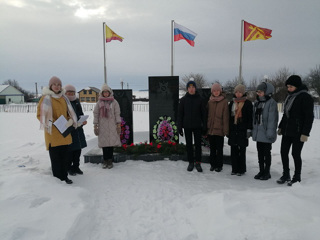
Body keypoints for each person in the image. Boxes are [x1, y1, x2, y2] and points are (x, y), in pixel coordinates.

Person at [37, 76, 78, 184]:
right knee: (56, 159)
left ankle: (64, 176)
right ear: (50, 85)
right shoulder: (46, 98)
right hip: (53, 133)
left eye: (59, 85)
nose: (57, 86)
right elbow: (40, 115)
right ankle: (58, 179)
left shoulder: (64, 98)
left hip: (64, 132)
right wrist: (53, 123)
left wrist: (69, 120)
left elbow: (69, 113)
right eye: (55, 84)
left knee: (65, 158)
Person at [277, 75, 314, 186]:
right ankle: (286, 174)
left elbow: (309, 117)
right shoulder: (290, 97)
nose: (289, 89)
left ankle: (297, 176)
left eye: (291, 86)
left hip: (298, 132)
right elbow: (286, 114)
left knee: (295, 154)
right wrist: (281, 126)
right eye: (288, 86)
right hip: (287, 130)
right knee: (283, 152)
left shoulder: (305, 97)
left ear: (297, 86)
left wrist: (305, 133)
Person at [177, 80, 207, 172]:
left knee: (198, 145)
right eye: (189, 87)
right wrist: (180, 127)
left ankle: (198, 162)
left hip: (197, 126)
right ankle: (191, 162)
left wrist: (204, 126)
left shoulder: (200, 99)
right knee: (189, 145)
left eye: (193, 87)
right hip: (187, 126)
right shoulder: (183, 100)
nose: (191, 89)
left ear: (195, 88)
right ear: (187, 89)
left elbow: (204, 114)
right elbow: (180, 114)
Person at [252, 82, 278, 180]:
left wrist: (270, 132)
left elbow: (272, 119)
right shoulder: (257, 102)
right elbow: (254, 118)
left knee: (267, 153)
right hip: (259, 133)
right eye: (258, 92)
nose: (259, 93)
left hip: (267, 133)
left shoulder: (271, 103)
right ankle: (261, 170)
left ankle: (267, 172)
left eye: (261, 92)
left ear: (267, 92)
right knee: (260, 153)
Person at [93, 84, 121, 169]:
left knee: (111, 144)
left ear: (109, 93)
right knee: (104, 145)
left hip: (112, 126)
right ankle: (105, 160)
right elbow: (96, 114)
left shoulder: (114, 102)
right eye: (104, 92)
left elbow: (117, 113)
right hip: (102, 126)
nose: (106, 93)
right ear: (102, 93)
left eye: (107, 92)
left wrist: (118, 124)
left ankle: (110, 160)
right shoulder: (99, 103)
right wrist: (95, 125)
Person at [228, 84, 253, 176]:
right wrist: (229, 129)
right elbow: (229, 118)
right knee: (233, 150)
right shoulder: (232, 103)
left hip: (243, 130)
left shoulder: (248, 103)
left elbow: (250, 118)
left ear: (243, 93)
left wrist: (249, 129)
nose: (238, 94)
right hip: (234, 129)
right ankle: (234, 168)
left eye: (240, 92)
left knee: (242, 150)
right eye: (236, 92)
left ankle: (241, 169)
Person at [64, 84, 87, 176]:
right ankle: (69, 167)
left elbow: (80, 113)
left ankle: (76, 166)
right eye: (68, 92)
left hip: (78, 129)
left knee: (78, 150)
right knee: (70, 151)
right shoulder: (64, 102)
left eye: (72, 92)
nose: (70, 94)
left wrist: (83, 120)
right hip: (69, 130)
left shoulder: (77, 101)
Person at [206, 83, 229, 172]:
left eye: (218, 91)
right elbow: (207, 115)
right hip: (211, 129)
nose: (216, 92)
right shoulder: (210, 101)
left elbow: (226, 117)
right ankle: (213, 164)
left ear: (220, 91)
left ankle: (219, 165)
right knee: (212, 149)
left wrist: (225, 131)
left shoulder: (224, 102)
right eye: (214, 91)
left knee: (219, 149)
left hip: (219, 130)